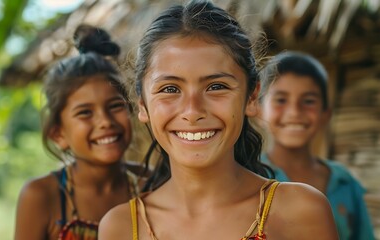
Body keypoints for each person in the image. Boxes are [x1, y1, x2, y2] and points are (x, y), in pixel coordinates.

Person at [98, 1, 339, 239]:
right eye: (170, 89)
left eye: (216, 86)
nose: (192, 111)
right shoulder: (122, 227)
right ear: (142, 104)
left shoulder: (301, 212)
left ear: (252, 97)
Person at [15, 24, 141, 240]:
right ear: (59, 135)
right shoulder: (42, 197)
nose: (105, 122)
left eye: (115, 106)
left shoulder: (150, 184)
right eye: (85, 113)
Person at [258, 51, 375, 240]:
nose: (295, 112)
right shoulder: (250, 176)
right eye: (281, 100)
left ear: (325, 114)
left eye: (308, 101)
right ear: (258, 110)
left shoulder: (344, 182)